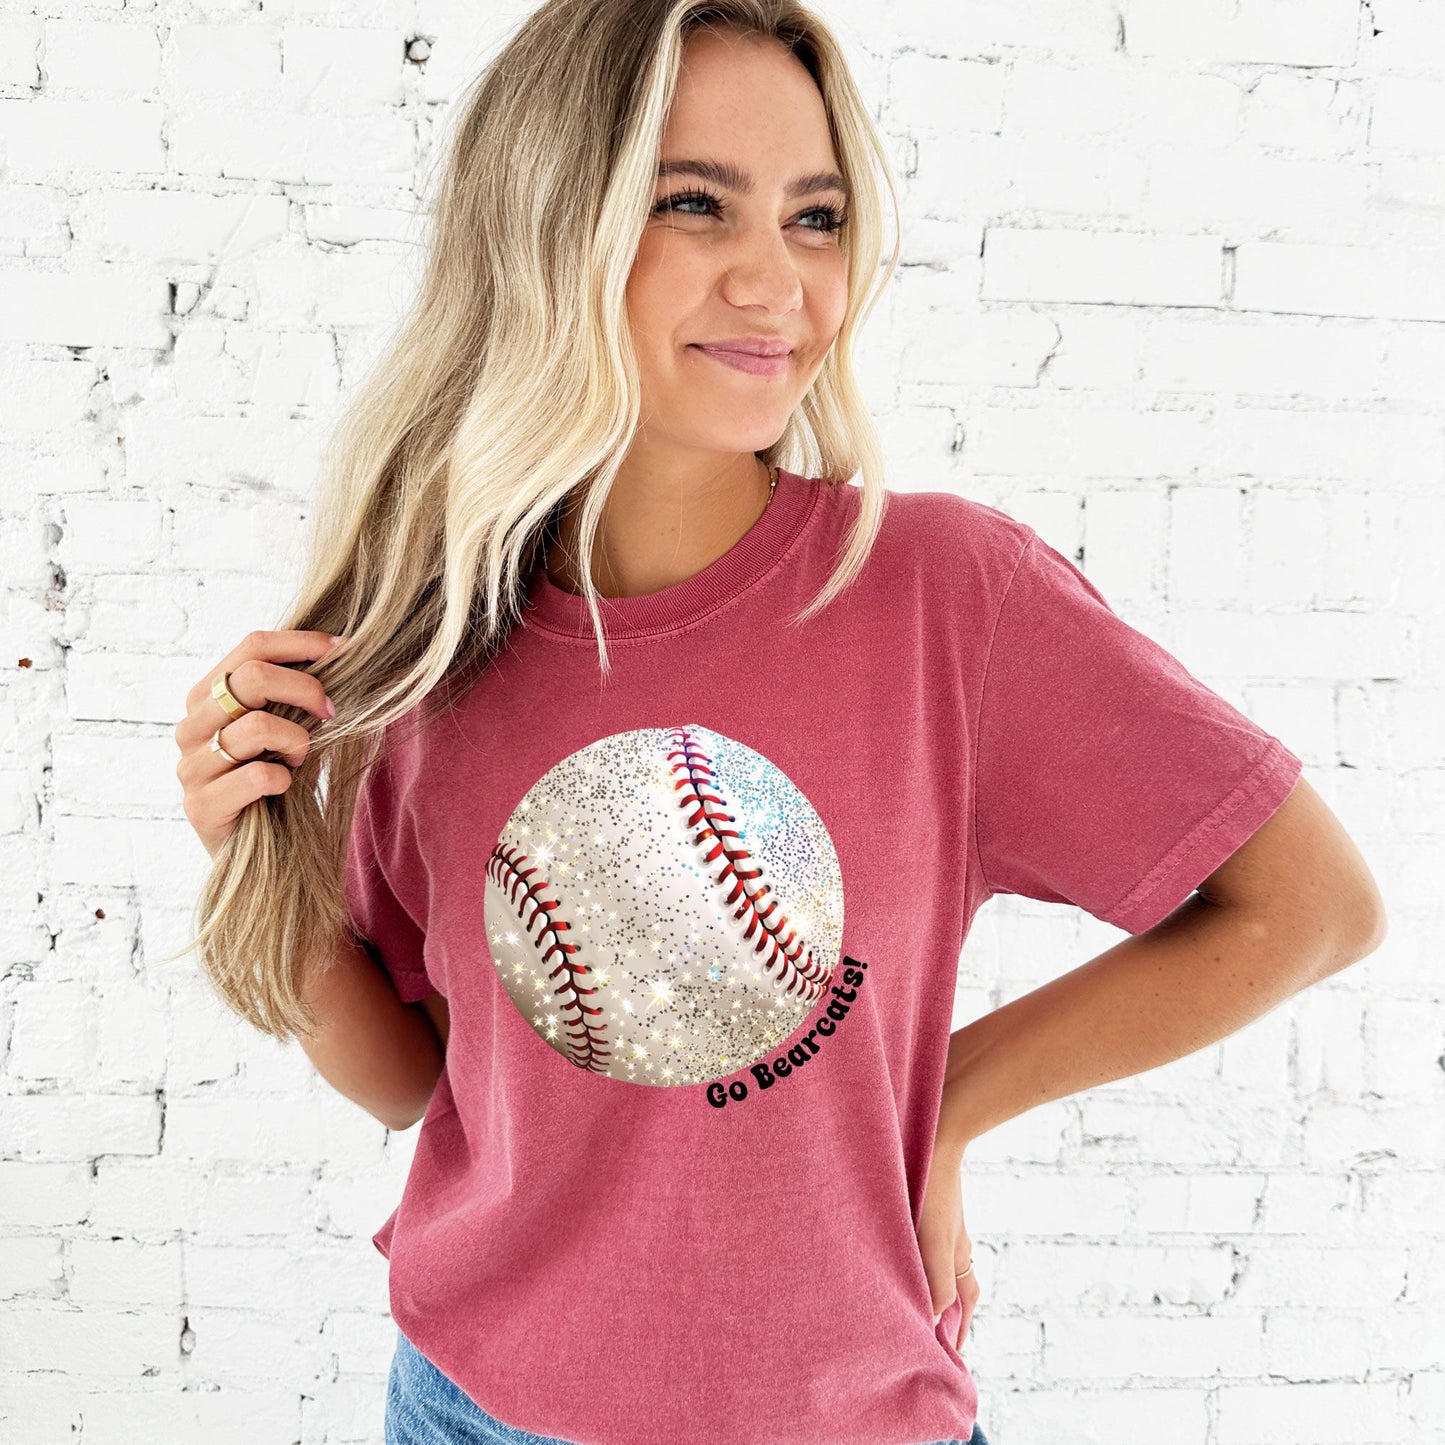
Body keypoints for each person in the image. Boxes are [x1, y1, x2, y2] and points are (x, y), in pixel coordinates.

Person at [169, 2, 1388, 1442]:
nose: (778, 282)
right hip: (473, 1406)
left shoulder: (944, 595)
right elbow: (414, 1084)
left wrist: (948, 1102)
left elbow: (1310, 907)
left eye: (816, 219)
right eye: (694, 204)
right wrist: (272, 870)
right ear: (548, 225)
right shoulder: (432, 637)